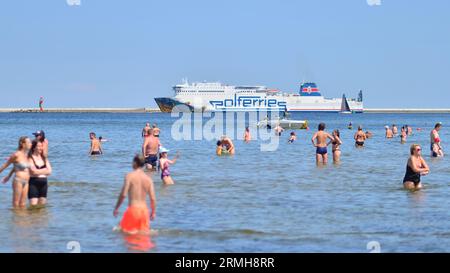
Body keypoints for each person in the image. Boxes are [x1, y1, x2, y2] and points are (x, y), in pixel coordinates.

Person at [113, 155, 156, 235]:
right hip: (144, 212)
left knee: (126, 236)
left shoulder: (129, 176)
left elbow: (123, 194)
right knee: (143, 238)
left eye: (133, 162)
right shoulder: (148, 179)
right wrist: (153, 212)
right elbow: (152, 198)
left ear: (135, 163)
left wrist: (116, 208)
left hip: (133, 210)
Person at [0, 137, 32, 208]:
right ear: (23, 144)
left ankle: (21, 219)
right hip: (18, 181)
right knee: (16, 204)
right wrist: (8, 176)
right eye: (29, 142)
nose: (31, 144)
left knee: (23, 204)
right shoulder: (16, 155)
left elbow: (15, 167)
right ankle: (15, 218)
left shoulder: (26, 155)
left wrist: (9, 175)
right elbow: (4, 166)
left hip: (26, 182)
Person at [28, 140, 52, 206]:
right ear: (33, 147)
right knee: (33, 207)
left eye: (41, 146)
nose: (41, 148)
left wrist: (38, 171)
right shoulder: (30, 158)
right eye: (39, 146)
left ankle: (41, 217)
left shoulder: (44, 158)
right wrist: (44, 170)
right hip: (33, 184)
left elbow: (50, 171)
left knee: (42, 207)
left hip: (44, 184)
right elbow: (33, 171)